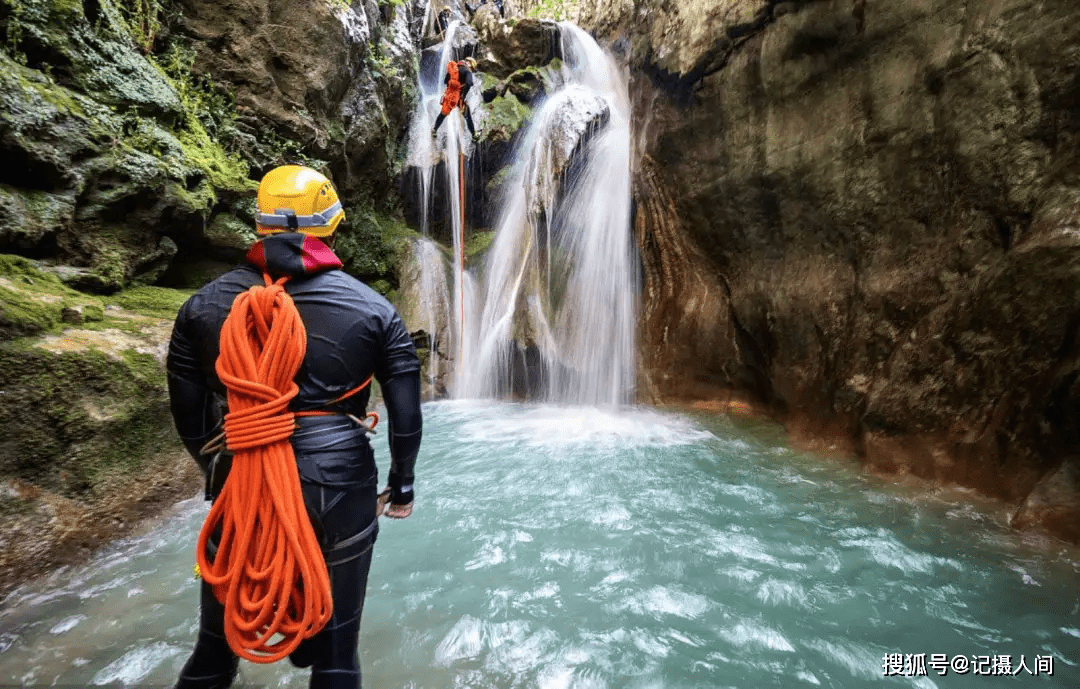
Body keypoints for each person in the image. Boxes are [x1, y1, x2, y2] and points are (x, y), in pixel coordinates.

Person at [167, 164, 422, 689]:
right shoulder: (374, 310)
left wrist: (221, 467)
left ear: (258, 224)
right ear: (331, 225)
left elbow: (190, 417)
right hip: (338, 481)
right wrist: (402, 485)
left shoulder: (202, 308)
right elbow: (404, 416)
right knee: (335, 659)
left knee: (213, 653)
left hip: (244, 478)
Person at [433, 56, 478, 139]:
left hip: (450, 94)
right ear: (471, 65)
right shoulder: (467, 72)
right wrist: (463, 95)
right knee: (467, 115)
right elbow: (469, 83)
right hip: (459, 97)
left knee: (443, 113)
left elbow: (446, 81)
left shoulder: (454, 68)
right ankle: (474, 135)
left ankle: (434, 130)